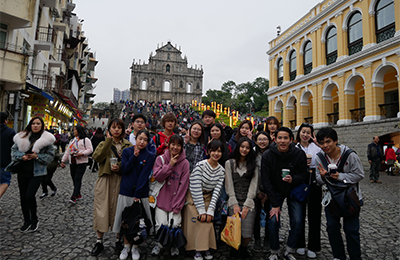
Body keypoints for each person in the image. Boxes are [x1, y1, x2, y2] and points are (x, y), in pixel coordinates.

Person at [315, 127, 364, 260]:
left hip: (350, 197)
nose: (325, 145)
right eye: (321, 143)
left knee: (351, 230)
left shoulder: (350, 155)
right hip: (331, 199)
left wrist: (340, 176)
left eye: (328, 141)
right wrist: (324, 176)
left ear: (335, 141)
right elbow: (318, 180)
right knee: (332, 228)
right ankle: (338, 256)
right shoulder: (319, 158)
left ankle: (355, 257)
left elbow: (359, 174)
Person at [261, 127, 308, 260]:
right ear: (274, 139)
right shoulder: (268, 155)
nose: (282, 141)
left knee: (298, 220)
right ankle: (274, 250)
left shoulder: (299, 154)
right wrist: (275, 204)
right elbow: (266, 180)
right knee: (273, 220)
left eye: (285, 138)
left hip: (294, 189)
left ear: (291, 139)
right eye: (279, 138)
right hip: (275, 190)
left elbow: (304, 174)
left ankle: (290, 249)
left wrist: (293, 179)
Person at [90, 119, 132, 257]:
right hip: (106, 179)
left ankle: (119, 239)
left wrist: (120, 167)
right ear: (109, 129)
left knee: (120, 210)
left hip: (121, 180)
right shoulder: (103, 143)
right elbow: (97, 157)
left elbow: (131, 164)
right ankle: (99, 241)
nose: (117, 130)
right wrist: (108, 141)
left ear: (123, 130)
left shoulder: (128, 145)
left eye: (119, 127)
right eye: (114, 127)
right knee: (102, 209)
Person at [6, 116, 55, 232]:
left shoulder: (47, 139)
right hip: (23, 170)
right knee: (23, 197)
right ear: (30, 125)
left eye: (38, 123)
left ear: (42, 126)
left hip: (37, 172)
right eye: (33, 123)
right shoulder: (21, 136)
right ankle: (26, 220)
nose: (35, 126)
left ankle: (34, 219)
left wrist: (37, 156)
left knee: (29, 195)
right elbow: (13, 151)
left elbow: (50, 156)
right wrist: (21, 156)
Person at [112, 129, 156, 260]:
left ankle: (136, 247)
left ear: (148, 142)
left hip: (140, 193)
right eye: (140, 138)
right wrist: (134, 157)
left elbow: (144, 176)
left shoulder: (150, 155)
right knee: (126, 221)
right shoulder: (127, 152)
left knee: (138, 222)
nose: (142, 142)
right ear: (135, 139)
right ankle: (126, 246)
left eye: (145, 140)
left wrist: (137, 193)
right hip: (126, 190)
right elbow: (124, 169)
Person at [182, 140, 225, 260]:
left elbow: (217, 191)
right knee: (199, 220)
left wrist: (210, 210)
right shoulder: (201, 165)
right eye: (213, 151)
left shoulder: (221, 170)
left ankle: (205, 248)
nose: (216, 154)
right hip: (193, 197)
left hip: (208, 197)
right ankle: (197, 249)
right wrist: (202, 210)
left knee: (208, 220)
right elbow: (195, 187)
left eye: (219, 151)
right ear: (208, 152)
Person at [151, 135, 190, 256]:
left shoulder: (185, 163)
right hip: (162, 199)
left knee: (175, 224)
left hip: (176, 199)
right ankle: (160, 244)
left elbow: (183, 185)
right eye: (173, 144)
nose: (175, 147)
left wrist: (177, 204)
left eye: (178, 145)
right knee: (161, 225)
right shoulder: (160, 159)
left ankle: (174, 245)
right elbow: (158, 176)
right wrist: (170, 165)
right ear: (168, 144)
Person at [225, 137, 258, 259]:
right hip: (234, 198)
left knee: (247, 232)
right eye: (242, 147)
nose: (244, 150)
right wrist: (234, 203)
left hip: (249, 200)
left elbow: (254, 185)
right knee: (233, 227)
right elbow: (229, 185)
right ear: (238, 147)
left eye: (247, 147)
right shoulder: (230, 163)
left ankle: (244, 248)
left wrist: (247, 205)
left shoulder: (254, 165)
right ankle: (234, 248)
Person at [294, 123, 322, 259]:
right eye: (303, 132)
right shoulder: (295, 147)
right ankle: (300, 244)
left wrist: (319, 144)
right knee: (299, 215)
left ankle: (313, 246)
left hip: (315, 181)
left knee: (315, 215)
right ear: (299, 133)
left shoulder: (316, 147)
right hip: (300, 181)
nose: (305, 135)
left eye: (308, 132)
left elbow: (326, 155)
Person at [61, 125, 93, 204]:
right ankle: (78, 193)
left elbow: (90, 150)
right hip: (73, 162)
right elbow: (68, 151)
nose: (73, 131)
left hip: (81, 163)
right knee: (74, 178)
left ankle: (74, 196)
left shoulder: (86, 140)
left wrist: (82, 154)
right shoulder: (72, 140)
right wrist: (63, 161)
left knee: (77, 178)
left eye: (75, 130)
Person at [253, 131, 271, 252]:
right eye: (260, 139)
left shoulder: (273, 154)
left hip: (271, 191)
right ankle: (257, 239)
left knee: (271, 217)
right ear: (255, 141)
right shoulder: (253, 154)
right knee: (256, 216)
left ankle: (268, 239)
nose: (262, 142)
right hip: (256, 189)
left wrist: (268, 193)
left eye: (265, 139)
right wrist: (258, 191)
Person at [0, 112, 16, 213]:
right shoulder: (10, 132)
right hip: (4, 161)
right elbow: (14, 148)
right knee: (5, 182)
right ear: (6, 120)